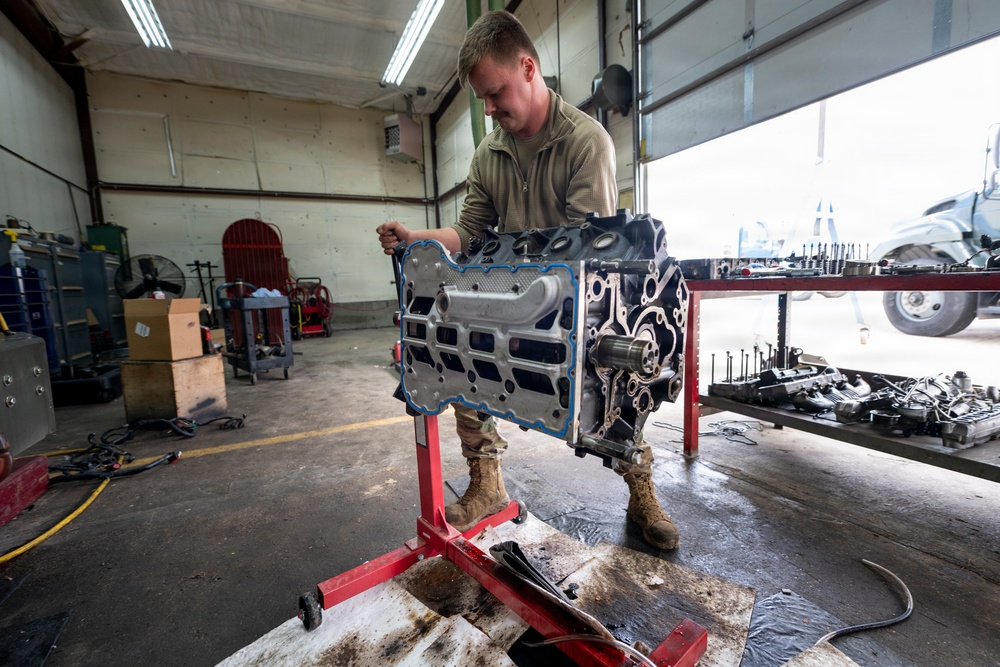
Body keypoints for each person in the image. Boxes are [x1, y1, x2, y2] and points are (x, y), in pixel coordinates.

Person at [375, 10, 679, 550]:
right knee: (456, 350)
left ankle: (640, 488)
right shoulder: (488, 154)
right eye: (482, 100)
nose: (490, 110)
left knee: (616, 392)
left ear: (529, 67)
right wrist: (415, 237)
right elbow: (469, 233)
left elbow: (589, 251)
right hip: (516, 295)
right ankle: (487, 483)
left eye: (495, 94)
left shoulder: (587, 143)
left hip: (577, 301)